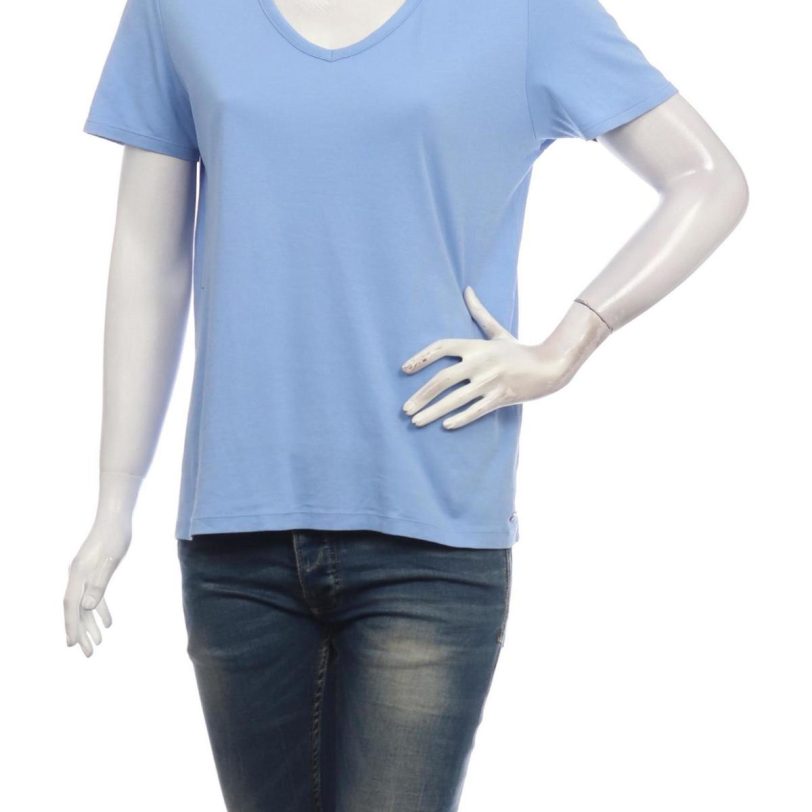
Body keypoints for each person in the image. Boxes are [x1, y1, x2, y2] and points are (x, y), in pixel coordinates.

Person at [64, 0, 748, 809]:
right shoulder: (178, 10)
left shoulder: (526, 13)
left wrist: (566, 346)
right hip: (236, 533)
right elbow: (149, 258)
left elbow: (708, 180)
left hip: (429, 531)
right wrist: (115, 501)